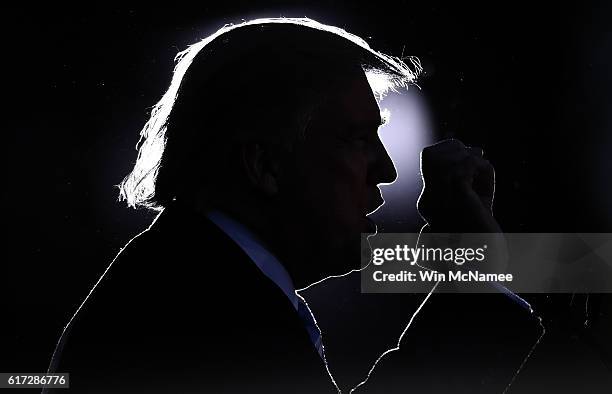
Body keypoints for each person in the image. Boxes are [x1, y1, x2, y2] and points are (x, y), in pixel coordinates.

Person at [45, 18, 511, 393]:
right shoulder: (208, 313)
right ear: (264, 165)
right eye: (355, 139)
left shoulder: (189, 280)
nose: (387, 169)